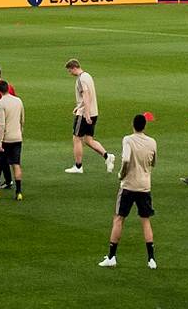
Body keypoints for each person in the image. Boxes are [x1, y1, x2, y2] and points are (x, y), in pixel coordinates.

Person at [100, 114, 158, 269]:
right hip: (145, 186)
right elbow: (153, 162)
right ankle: (151, 259)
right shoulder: (152, 142)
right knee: (145, 221)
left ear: (133, 125)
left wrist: (122, 174)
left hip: (128, 186)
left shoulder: (128, 139)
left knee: (119, 219)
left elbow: (126, 159)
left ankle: (112, 256)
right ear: (145, 126)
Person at [64, 59, 114, 174]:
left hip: (85, 114)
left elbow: (86, 95)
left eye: (69, 70)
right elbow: (88, 95)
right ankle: (107, 156)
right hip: (94, 112)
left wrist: (85, 113)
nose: (69, 73)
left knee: (76, 138)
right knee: (88, 139)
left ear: (73, 68)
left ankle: (78, 166)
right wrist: (79, 106)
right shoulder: (88, 76)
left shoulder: (81, 79)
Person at [0, 80, 25, 201]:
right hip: (17, 137)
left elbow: (1, 124)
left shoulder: (0, 104)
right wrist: (20, 132)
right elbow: (22, 119)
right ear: (8, 88)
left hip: (7, 138)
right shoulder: (18, 100)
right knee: (16, 164)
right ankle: (18, 192)